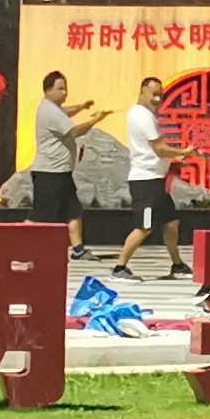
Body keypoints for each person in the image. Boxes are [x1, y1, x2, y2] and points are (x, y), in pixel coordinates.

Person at [107, 75, 184, 281]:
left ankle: (177, 264)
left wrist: (172, 160)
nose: (158, 99)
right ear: (142, 91)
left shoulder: (143, 114)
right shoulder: (143, 116)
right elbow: (159, 148)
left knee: (171, 222)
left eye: (161, 95)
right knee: (144, 227)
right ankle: (119, 268)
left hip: (156, 179)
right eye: (154, 94)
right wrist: (183, 152)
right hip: (146, 182)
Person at [28, 70, 104, 252]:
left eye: (65, 89)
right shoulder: (50, 111)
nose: (65, 93)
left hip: (61, 172)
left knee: (73, 211)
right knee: (39, 217)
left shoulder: (52, 108)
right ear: (48, 90)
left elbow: (65, 113)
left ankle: (78, 249)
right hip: (50, 173)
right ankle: (11, 243)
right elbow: (74, 132)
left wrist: (82, 107)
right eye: (60, 89)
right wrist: (95, 121)